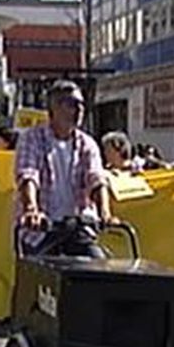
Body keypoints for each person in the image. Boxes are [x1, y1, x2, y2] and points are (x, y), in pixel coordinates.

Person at [15, 81, 115, 258]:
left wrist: (105, 213)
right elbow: (28, 176)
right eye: (71, 104)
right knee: (42, 274)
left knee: (100, 267)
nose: (79, 110)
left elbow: (97, 179)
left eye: (81, 105)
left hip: (77, 228)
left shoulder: (87, 144)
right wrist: (31, 209)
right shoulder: (32, 138)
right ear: (53, 109)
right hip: (42, 231)